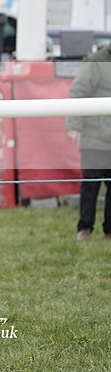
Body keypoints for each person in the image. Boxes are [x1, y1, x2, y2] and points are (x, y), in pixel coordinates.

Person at [65, 43, 111, 240]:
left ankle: (109, 230)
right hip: (94, 136)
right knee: (91, 184)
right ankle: (85, 228)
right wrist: (74, 125)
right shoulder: (95, 62)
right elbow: (78, 93)